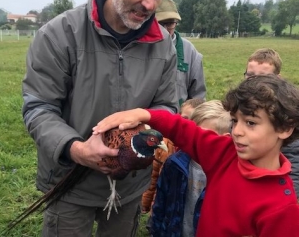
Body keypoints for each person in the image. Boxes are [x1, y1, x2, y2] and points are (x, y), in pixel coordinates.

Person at [22, 0, 178, 237]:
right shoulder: (59, 35)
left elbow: (168, 106)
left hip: (130, 183)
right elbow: (38, 107)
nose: (150, 3)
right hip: (69, 181)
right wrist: (75, 149)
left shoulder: (163, 44)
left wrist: (139, 131)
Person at [94, 74, 299, 236]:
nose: (237, 131)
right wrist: (144, 115)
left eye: (251, 123)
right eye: (235, 121)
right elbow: (184, 130)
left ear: (285, 128)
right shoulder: (225, 153)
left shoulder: (282, 209)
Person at [150, 100, 231, 237]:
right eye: (193, 134)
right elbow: (160, 205)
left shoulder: (230, 173)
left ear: (226, 139)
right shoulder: (174, 164)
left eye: (204, 136)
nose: (196, 140)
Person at [244, 47, 299, 199]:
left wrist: (285, 200)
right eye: (250, 76)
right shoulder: (238, 108)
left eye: (263, 77)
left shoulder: (286, 114)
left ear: (278, 79)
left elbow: (293, 161)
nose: (255, 82)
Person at [141, 98, 204, 226]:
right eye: (186, 118)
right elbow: (153, 178)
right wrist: (146, 203)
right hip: (162, 204)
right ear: (178, 117)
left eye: (195, 120)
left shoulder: (199, 153)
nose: (189, 124)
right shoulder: (163, 146)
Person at [155, 0, 206, 106]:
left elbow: (198, 97)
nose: (164, 29)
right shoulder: (140, 47)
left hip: (179, 119)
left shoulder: (190, 51)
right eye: (159, 23)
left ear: (176, 23)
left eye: (169, 24)